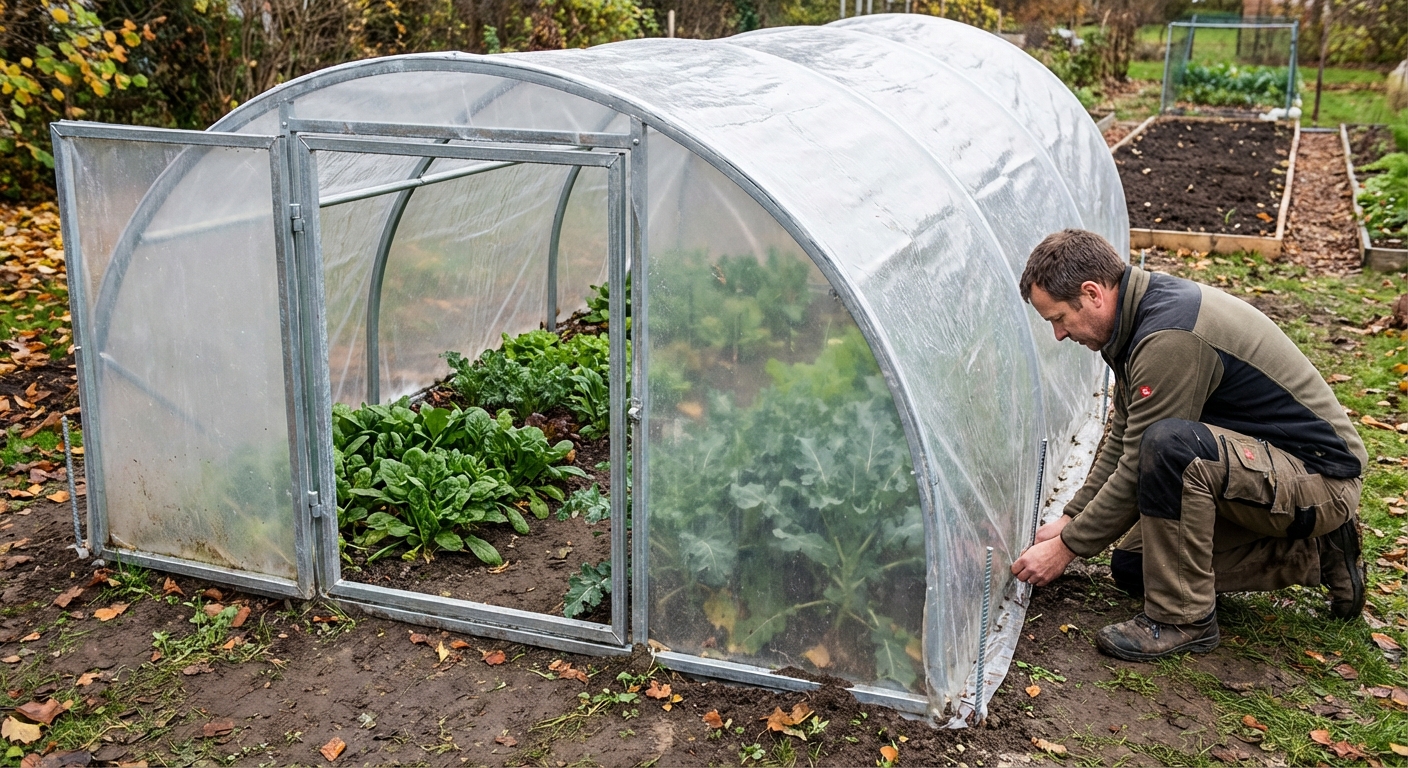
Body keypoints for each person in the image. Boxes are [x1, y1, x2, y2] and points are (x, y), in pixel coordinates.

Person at [1010, 229, 1367, 662]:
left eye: (1059, 318)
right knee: (1137, 568)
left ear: (1092, 293)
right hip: (1266, 467)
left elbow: (1143, 453)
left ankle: (1184, 620)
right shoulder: (1134, 319)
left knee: (1171, 448)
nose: (1059, 335)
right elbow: (1123, 435)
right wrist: (1072, 517)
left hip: (1319, 481)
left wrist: (1067, 548)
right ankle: (1312, 551)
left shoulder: (1168, 337)